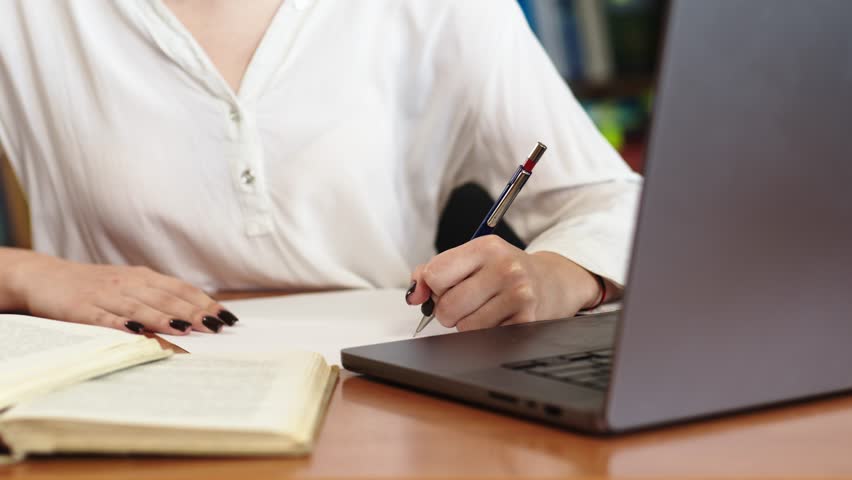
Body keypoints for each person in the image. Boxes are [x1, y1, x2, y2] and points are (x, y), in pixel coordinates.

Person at [0, 0, 641, 336]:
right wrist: (30, 275)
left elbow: (613, 200)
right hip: (113, 394)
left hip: (377, 384)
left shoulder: (444, 7)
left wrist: (557, 277)